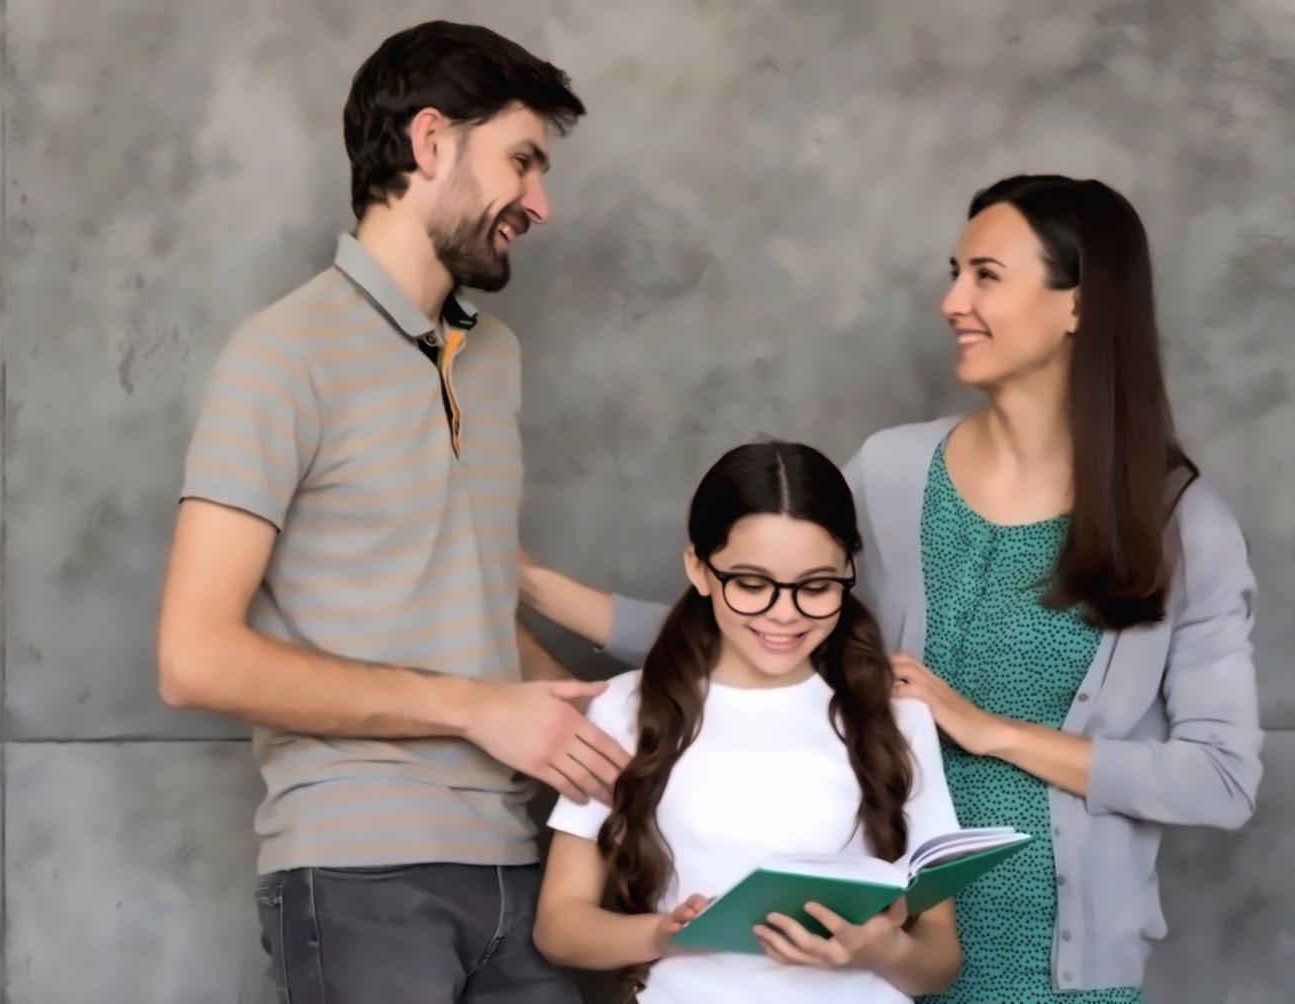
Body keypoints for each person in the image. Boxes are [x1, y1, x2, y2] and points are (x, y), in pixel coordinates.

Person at [522, 175, 1263, 1001]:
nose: (951, 302)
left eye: (986, 276)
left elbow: (1221, 779)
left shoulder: (1179, 525)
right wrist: (528, 584)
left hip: (1059, 969)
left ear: (1078, 306)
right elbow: (762, 616)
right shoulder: (894, 473)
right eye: (955, 273)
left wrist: (989, 732)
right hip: (868, 960)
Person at [156, 21, 608, 1003]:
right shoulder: (280, 357)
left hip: (515, 867)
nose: (540, 204)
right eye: (522, 161)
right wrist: (475, 708)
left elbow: (462, 607)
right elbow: (193, 658)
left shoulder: (494, 360)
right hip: (356, 877)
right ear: (430, 141)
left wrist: (618, 726)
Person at [530, 441, 965, 1002]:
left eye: (816, 587)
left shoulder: (896, 715)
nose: (784, 614)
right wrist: (664, 934)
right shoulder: (626, 708)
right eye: (752, 585)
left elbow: (939, 961)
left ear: (848, 572)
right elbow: (559, 928)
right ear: (699, 569)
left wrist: (879, 950)